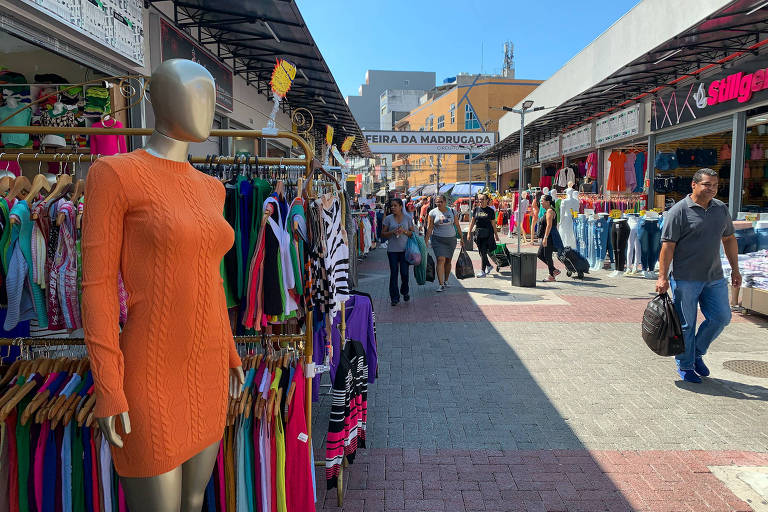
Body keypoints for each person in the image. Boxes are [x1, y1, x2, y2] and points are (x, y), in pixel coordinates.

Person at [656, 168, 740, 383]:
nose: (711, 189)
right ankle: (685, 364)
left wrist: (735, 269)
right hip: (685, 278)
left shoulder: (720, 209)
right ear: (693, 185)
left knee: (722, 317)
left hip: (714, 277)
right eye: (706, 184)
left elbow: (729, 239)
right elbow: (667, 246)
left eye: (714, 185)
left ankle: (696, 353)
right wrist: (662, 277)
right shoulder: (679, 211)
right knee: (686, 324)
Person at [426, 194, 464, 292]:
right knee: (440, 259)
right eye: (437, 202)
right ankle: (441, 284)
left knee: (448, 261)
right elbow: (430, 227)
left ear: (445, 202)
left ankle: (446, 280)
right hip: (438, 240)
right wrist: (425, 241)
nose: (438, 203)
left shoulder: (452, 211)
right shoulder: (432, 212)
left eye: (441, 202)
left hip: (451, 240)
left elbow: (457, 224)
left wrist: (462, 238)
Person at [382, 198, 415, 306]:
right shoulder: (388, 219)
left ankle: (405, 292)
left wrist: (404, 231)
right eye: (391, 206)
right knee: (394, 273)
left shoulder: (408, 218)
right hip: (392, 251)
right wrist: (392, 232)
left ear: (401, 206)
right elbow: (382, 234)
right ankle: (394, 298)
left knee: (404, 273)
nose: (393, 207)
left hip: (405, 250)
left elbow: (412, 234)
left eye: (395, 205)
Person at [468, 193, 499, 277]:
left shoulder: (490, 211)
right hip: (478, 234)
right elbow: (472, 222)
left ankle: (482, 271)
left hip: (488, 234)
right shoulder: (476, 209)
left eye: (482, 199)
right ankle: (488, 266)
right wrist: (469, 233)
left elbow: (493, 224)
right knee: (481, 252)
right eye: (479, 199)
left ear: (487, 200)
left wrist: (496, 235)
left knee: (484, 251)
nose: (480, 201)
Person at [537, 195, 561, 282]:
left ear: (548, 202)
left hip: (549, 237)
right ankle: (553, 270)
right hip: (546, 236)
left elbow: (549, 225)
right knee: (540, 254)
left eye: (542, 200)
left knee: (547, 256)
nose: (541, 202)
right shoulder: (547, 211)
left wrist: (545, 238)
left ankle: (551, 275)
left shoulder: (550, 211)